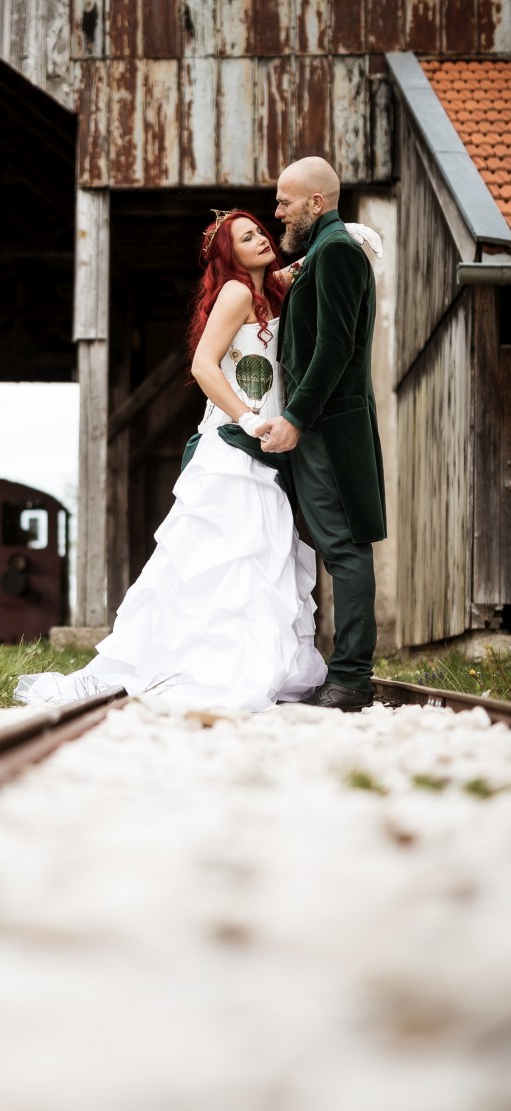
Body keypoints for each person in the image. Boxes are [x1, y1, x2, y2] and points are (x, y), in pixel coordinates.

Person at [15, 210, 327, 711]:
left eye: (261, 232)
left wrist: (335, 241)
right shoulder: (237, 293)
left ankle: (242, 662)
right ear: (230, 255)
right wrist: (247, 419)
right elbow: (203, 364)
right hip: (232, 448)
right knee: (229, 558)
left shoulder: (268, 291)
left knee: (257, 556)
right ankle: (220, 666)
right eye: (247, 238)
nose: (262, 239)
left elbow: (295, 271)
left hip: (264, 453)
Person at [258, 156, 386, 712]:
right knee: (336, 545)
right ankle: (340, 671)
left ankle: (351, 677)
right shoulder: (326, 251)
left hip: (329, 428)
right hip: (325, 425)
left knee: (344, 549)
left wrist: (295, 418)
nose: (277, 210)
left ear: (316, 202)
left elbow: (335, 348)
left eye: (286, 200)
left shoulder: (335, 251)